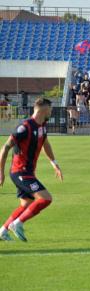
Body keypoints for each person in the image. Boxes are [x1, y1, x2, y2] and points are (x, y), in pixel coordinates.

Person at [0, 98, 63, 242]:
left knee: (26, 205)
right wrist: (1, 173)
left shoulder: (42, 126)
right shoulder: (25, 127)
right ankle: (17, 224)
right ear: (43, 109)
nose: (51, 112)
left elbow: (45, 143)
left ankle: (3, 231)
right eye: (50, 109)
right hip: (20, 172)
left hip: (27, 172)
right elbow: (5, 148)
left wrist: (54, 163)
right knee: (46, 198)